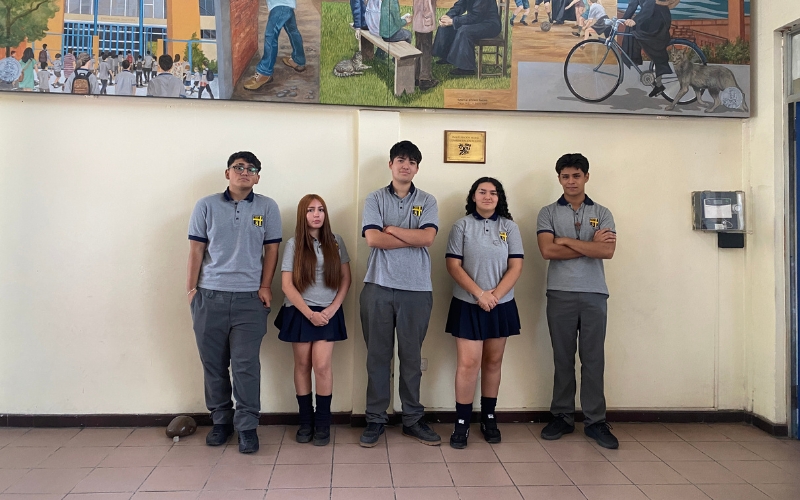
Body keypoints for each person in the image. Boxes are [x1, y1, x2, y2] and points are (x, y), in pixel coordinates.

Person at [187, 151, 281, 454]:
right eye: (238, 167)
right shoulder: (206, 205)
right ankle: (221, 422)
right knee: (213, 366)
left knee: (245, 366)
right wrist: (192, 291)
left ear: (257, 177)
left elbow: (272, 252)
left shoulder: (267, 207)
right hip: (209, 296)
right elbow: (196, 250)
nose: (245, 172)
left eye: (251, 169)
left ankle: (247, 427)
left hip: (250, 299)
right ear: (227, 173)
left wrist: (266, 286)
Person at [359, 141, 441, 448]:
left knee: (411, 359)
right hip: (378, 287)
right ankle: (375, 419)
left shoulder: (428, 200)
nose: (405, 166)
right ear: (391, 165)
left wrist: (391, 229)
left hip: (417, 290)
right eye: (400, 160)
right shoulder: (375, 198)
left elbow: (429, 237)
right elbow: (372, 239)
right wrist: (411, 237)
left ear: (417, 168)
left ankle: (412, 419)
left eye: (411, 162)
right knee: (377, 357)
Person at [536, 153, 618, 450]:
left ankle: (595, 421)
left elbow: (607, 252)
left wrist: (566, 240)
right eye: (565, 176)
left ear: (586, 177)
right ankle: (562, 416)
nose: (571, 181)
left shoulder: (603, 212)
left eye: (576, 175)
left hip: (595, 293)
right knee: (563, 358)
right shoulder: (547, 213)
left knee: (594, 360)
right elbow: (547, 251)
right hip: (560, 293)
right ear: (558, 178)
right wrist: (590, 245)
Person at [445, 177, 524, 449]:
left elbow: (515, 266)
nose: (488, 196)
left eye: (493, 192)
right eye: (482, 192)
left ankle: (489, 417)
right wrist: (480, 295)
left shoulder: (510, 228)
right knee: (468, 364)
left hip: (500, 305)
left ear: (499, 198)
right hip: (468, 304)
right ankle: (462, 423)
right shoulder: (461, 226)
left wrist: (495, 296)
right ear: (474, 196)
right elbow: (453, 266)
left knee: (493, 362)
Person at [277, 195, 351, 447]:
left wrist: (332, 309)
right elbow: (286, 285)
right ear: (303, 214)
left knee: (321, 366)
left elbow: (345, 279)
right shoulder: (294, 243)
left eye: (320, 209)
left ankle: (322, 423)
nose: (316, 214)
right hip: (300, 311)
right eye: (310, 210)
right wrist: (309, 313)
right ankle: (305, 421)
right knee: (302, 364)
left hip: (328, 311)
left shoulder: (336, 241)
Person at [243, 0, 306, 90]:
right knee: (293, 32)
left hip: (280, 5)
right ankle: (298, 60)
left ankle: (264, 73)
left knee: (271, 36)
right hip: (287, 4)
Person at [432, 0, 501, 76]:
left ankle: (466, 68)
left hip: (490, 25)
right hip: (476, 21)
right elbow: (460, 5)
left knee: (464, 31)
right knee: (445, 27)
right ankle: (447, 57)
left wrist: (453, 21)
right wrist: (448, 16)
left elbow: (477, 16)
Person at [622, 0, 673, 97]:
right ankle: (635, 59)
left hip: (659, 18)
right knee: (630, 30)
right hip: (650, 16)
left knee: (641, 34)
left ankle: (660, 68)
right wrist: (623, 19)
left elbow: (649, 5)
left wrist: (635, 20)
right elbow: (633, 4)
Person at [413, 0, 439, 90]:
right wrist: (428, 19)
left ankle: (416, 76)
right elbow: (427, 6)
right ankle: (425, 79)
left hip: (418, 21)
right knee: (426, 49)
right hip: (425, 22)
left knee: (419, 47)